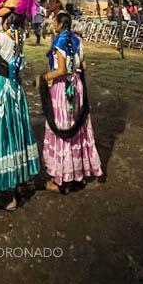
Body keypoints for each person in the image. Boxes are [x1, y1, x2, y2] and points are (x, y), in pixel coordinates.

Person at [0, 0, 40, 211]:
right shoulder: (19, 35)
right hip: (15, 90)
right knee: (15, 132)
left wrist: (0, 11)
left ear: (7, 19)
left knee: (2, 135)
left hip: (2, 89)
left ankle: (7, 193)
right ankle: (16, 179)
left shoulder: (3, 38)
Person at [40, 12, 103, 193]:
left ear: (60, 25)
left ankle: (61, 179)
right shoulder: (76, 40)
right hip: (76, 87)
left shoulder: (59, 43)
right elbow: (84, 66)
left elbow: (60, 70)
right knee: (76, 129)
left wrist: (43, 78)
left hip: (63, 89)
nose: (53, 24)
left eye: (55, 22)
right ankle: (78, 175)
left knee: (62, 130)